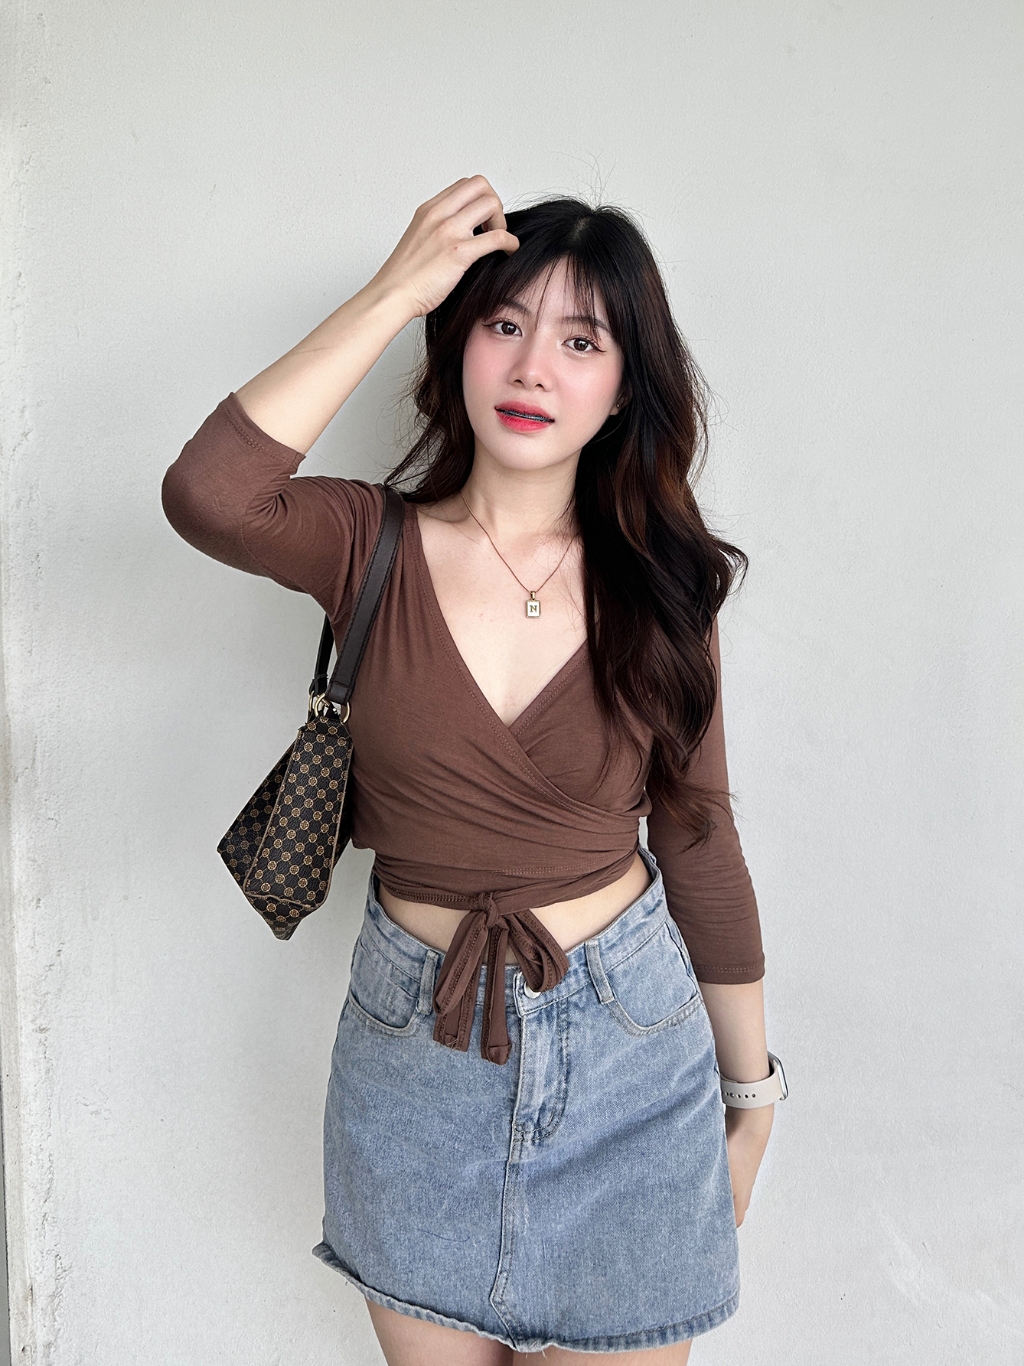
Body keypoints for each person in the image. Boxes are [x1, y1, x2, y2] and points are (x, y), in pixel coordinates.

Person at [162, 175, 782, 1365]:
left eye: (580, 340)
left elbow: (699, 840)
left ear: (623, 387)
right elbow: (210, 495)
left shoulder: (665, 586)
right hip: (414, 1057)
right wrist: (397, 288)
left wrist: (750, 1097)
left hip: (631, 1054)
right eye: (504, 323)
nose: (533, 367)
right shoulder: (367, 543)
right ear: (455, 345)